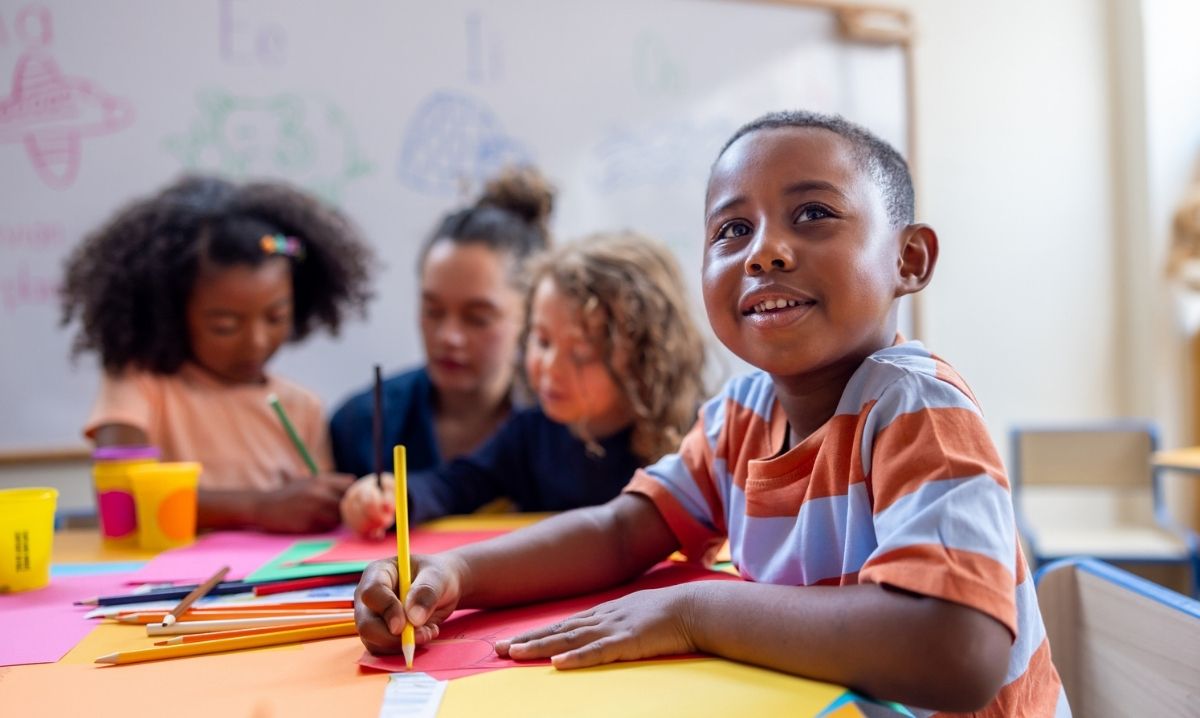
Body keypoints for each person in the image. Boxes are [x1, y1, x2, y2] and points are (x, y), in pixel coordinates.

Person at [352, 111, 1068, 715]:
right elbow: (622, 531)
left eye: (813, 214)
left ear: (909, 259)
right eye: (731, 230)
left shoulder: (917, 407)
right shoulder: (743, 413)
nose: (766, 253)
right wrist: (455, 577)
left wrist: (695, 611)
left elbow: (956, 651)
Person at [339, 231, 707, 537]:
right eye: (542, 341)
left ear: (644, 359)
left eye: (579, 353)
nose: (548, 367)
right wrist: (395, 495)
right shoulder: (529, 433)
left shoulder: (694, 438)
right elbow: (456, 484)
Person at [63, 174, 373, 533]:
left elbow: (316, 513)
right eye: (224, 325)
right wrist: (259, 507)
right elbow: (119, 501)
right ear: (171, 313)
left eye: (276, 317)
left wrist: (352, 503)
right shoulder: (139, 383)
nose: (256, 341)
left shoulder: (302, 407)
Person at [329, 166, 554, 479]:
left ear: (529, 316)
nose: (449, 337)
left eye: (478, 318)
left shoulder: (566, 426)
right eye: (432, 311)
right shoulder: (362, 425)